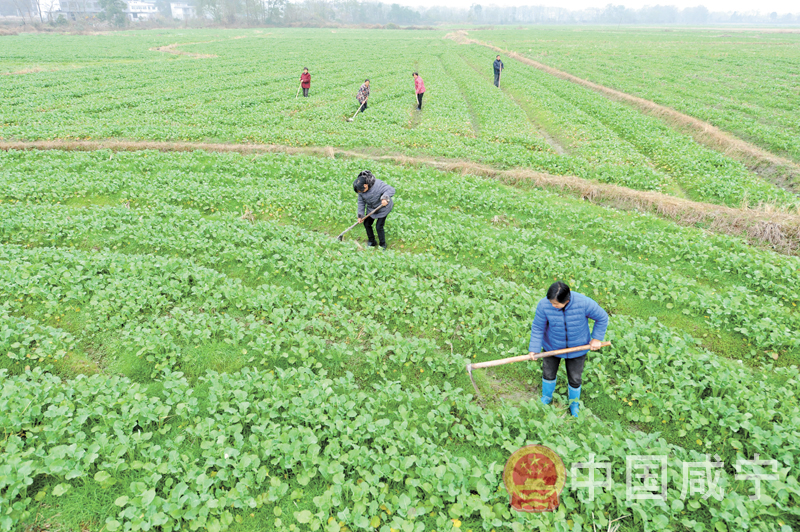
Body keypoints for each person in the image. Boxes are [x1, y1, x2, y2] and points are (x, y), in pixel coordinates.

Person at [528, 281, 608, 418]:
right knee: (548, 373)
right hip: (551, 347)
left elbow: (602, 317)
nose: (553, 306)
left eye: (556, 304)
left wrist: (596, 338)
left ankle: (574, 404)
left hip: (577, 348)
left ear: (567, 300)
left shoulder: (583, 303)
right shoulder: (544, 305)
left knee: (575, 378)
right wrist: (534, 348)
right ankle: (546, 397)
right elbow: (538, 327)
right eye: (551, 302)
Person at [353, 170, 394, 249]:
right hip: (371, 209)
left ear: (365, 185)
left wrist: (385, 198)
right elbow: (361, 203)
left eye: (361, 191)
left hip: (383, 208)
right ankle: (372, 241)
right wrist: (360, 215)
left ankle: (382, 245)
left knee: (379, 226)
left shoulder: (378, 184)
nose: (361, 193)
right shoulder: (361, 191)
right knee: (367, 224)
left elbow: (391, 189)